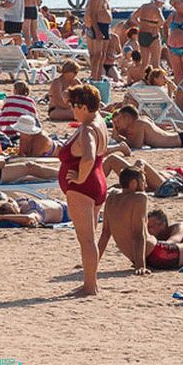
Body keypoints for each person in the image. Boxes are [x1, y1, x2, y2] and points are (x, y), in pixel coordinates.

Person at [59, 84, 109, 296]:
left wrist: (79, 177)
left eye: (74, 106)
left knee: (86, 239)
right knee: (90, 237)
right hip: (97, 182)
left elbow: (88, 157)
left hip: (84, 187)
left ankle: (90, 286)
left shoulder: (88, 128)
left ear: (83, 107)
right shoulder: (98, 121)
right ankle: (90, 282)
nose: (72, 110)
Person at [111, 105, 183, 149]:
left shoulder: (139, 125)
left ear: (128, 118)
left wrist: (119, 137)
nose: (118, 123)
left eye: (120, 119)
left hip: (182, 141)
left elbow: (136, 145)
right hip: (181, 137)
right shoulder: (142, 119)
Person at [0, 194, 70, 227]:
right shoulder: (32, 213)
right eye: (12, 203)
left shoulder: (14, 206)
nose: (11, 200)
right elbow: (28, 219)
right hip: (68, 212)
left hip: (61, 203)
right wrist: (1, 217)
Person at [86, 0, 113, 81]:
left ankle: (98, 75)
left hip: (106, 26)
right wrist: (97, 31)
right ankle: (94, 76)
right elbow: (92, 15)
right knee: (97, 54)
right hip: (99, 26)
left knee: (103, 54)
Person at [129, 0, 165, 71]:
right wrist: (155, 26)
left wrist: (140, 24)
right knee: (155, 63)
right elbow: (162, 22)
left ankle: (143, 79)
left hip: (142, 34)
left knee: (144, 63)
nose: (162, 6)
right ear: (158, 2)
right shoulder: (156, 9)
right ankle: (155, 81)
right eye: (162, 3)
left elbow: (133, 17)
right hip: (153, 35)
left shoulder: (143, 6)